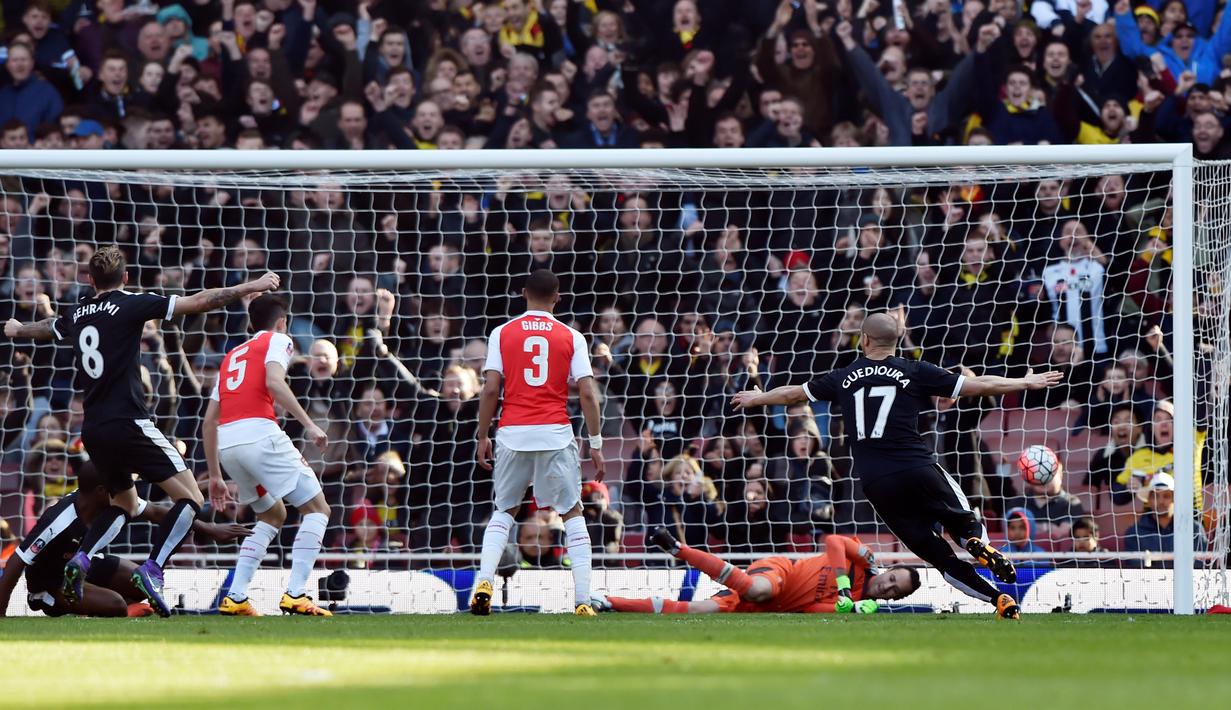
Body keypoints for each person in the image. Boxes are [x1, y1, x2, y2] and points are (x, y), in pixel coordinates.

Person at [2, 246, 278, 617]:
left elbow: (47, 329)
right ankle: (154, 567)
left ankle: (82, 558)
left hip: (93, 429)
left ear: (90, 279)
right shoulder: (130, 303)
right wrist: (250, 286)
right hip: (129, 421)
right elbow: (200, 301)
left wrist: (18, 330)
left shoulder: (77, 312)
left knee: (126, 504)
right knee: (191, 497)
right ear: (126, 278)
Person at [732, 312, 1064, 620]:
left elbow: (793, 394)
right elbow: (978, 386)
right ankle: (975, 541)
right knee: (963, 519)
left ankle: (997, 599)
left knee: (938, 556)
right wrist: (1024, 382)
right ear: (897, 339)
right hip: (917, 465)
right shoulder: (914, 370)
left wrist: (758, 397)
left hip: (877, 482)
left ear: (864, 339)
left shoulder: (843, 377)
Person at [472, 269, 606, 616]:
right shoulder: (572, 336)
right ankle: (582, 599)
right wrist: (595, 443)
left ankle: (484, 582)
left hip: (513, 433)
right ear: (557, 297)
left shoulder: (502, 333)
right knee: (572, 512)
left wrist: (482, 435)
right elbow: (587, 393)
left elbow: (490, 389)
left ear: (523, 293)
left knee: (505, 510)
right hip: (555, 433)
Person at [203, 294, 333, 617]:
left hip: (228, 446)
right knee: (318, 509)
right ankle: (296, 594)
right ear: (282, 322)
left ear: (250, 324)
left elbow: (209, 421)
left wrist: (216, 475)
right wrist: (309, 424)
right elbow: (274, 382)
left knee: (272, 515)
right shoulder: (279, 340)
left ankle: (236, 596)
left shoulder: (231, 355)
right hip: (260, 435)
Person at [0, 460, 248, 618]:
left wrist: (210, 529)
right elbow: (16, 562)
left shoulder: (116, 499)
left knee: (141, 582)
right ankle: (114, 610)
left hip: (89, 565)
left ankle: (96, 606)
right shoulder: (59, 520)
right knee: (116, 605)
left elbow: (157, 513)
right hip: (51, 582)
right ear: (102, 491)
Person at [596, 528, 919, 614]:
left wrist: (847, 607)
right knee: (759, 588)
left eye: (895, 591)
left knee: (699, 609)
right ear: (888, 569)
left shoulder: (855, 607)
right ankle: (679, 549)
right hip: (778, 572)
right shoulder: (864, 559)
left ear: (894, 599)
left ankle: (609, 602)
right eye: (892, 579)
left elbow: (810, 609)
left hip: (771, 604)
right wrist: (844, 583)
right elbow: (834, 541)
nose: (888, 587)